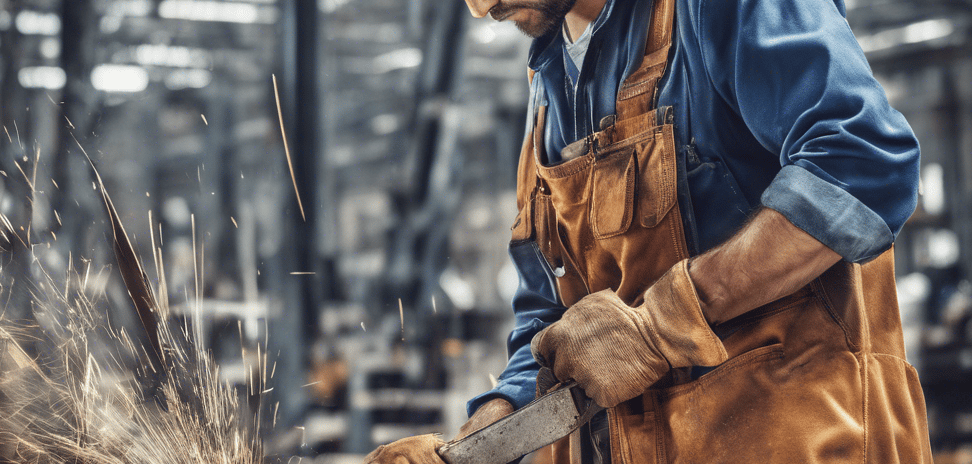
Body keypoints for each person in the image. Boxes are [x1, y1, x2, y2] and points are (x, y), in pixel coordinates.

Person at [364, 0, 934, 461]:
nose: (479, 6)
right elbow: (550, 323)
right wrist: (474, 448)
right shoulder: (550, 86)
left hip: (802, 438)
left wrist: (662, 325)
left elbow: (863, 165)